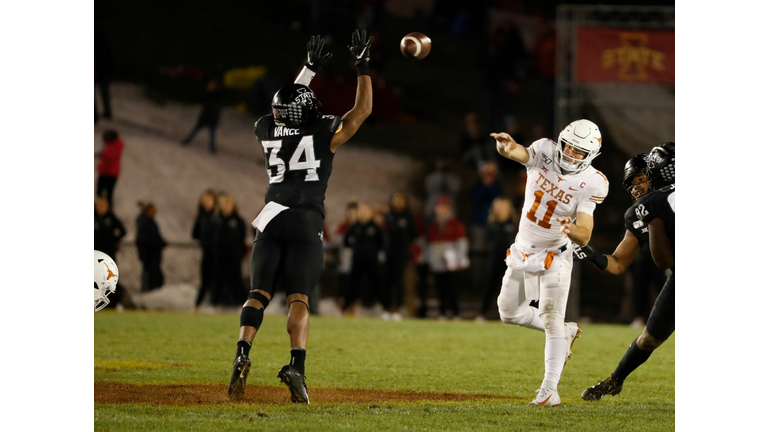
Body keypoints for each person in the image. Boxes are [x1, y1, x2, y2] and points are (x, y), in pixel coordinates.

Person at [228, 30, 373, 404]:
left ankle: (242, 354)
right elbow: (362, 112)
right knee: (299, 298)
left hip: (271, 215)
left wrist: (308, 69)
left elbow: (287, 105)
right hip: (306, 219)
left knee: (257, 293)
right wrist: (362, 66)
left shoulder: (266, 128)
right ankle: (297, 366)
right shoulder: (323, 132)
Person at [491, 119, 609, 407]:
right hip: (523, 248)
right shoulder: (544, 150)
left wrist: (572, 229)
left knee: (551, 317)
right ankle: (564, 332)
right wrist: (507, 148)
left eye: (578, 151)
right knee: (507, 312)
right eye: (567, 145)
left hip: (556, 254)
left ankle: (549, 390)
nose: (569, 153)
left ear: (590, 154)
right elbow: (520, 153)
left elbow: (586, 232)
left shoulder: (593, 182)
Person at [579, 142, 675, 401]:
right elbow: (619, 263)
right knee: (648, 340)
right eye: (631, 183)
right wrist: (593, 254)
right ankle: (615, 379)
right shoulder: (643, 213)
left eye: (641, 179)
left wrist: (653, 214)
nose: (635, 187)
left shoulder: (658, 204)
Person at [426, 195, 470, 320]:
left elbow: (462, 242)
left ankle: (455, 312)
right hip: (437, 258)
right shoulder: (434, 224)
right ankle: (442, 312)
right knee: (440, 287)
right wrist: (430, 259)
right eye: (439, 207)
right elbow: (430, 243)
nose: (441, 210)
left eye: (443, 207)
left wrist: (460, 259)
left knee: (452, 287)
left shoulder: (455, 223)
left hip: (452, 260)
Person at [477, 197, 518, 321]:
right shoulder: (491, 225)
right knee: (489, 286)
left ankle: (512, 314)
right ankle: (482, 313)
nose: (501, 210)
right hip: (494, 259)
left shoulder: (514, 225)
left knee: (511, 287)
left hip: (510, 260)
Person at [343, 202, 384, 314]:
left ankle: (382, 307)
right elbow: (346, 240)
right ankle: (347, 307)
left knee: (377, 283)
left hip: (372, 261)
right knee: (353, 284)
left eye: (366, 211)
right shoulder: (355, 226)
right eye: (362, 211)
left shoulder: (375, 227)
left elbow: (382, 242)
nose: (364, 213)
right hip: (357, 260)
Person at [383, 192, 417, 320]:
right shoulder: (388, 215)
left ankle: (398, 307)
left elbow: (413, 234)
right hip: (389, 252)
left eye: (400, 199)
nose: (398, 202)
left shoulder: (408, 216)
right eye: (396, 199)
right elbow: (389, 230)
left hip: (402, 253)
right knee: (387, 281)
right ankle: (387, 308)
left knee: (399, 281)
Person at [94, 196, 126, 309]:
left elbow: (122, 231)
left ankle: (113, 303)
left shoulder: (111, 218)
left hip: (108, 254)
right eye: (99, 205)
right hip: (95, 255)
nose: (101, 208)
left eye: (103, 205)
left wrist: (115, 239)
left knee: (111, 278)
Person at [216, 194, 247, 306]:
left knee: (236, 280)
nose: (225, 207)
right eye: (223, 204)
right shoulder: (216, 220)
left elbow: (242, 237)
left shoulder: (238, 221)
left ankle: (241, 304)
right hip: (218, 256)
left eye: (228, 204)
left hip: (234, 256)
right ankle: (215, 304)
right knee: (218, 280)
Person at [193, 190, 220, 308]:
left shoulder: (218, 217)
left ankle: (215, 304)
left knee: (217, 279)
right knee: (205, 279)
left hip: (219, 253)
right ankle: (198, 305)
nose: (206, 203)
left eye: (208, 200)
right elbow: (195, 233)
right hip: (207, 252)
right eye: (204, 200)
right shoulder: (202, 216)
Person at [181, 79, 224, 154]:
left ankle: (212, 147)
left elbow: (217, 107)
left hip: (211, 117)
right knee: (197, 129)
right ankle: (188, 140)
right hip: (205, 116)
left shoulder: (217, 95)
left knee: (211, 133)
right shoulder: (208, 94)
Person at [136, 201, 166, 292]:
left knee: (155, 275)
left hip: (154, 254)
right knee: (151, 275)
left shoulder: (150, 222)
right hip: (149, 254)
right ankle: (150, 293)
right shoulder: (145, 223)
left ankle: (153, 291)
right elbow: (147, 239)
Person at [96, 129, 124, 208]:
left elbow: (107, 155)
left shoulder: (111, 148)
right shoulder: (116, 145)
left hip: (108, 173)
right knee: (107, 192)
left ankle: (102, 209)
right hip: (112, 173)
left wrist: (101, 153)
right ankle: (104, 208)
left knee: (101, 192)